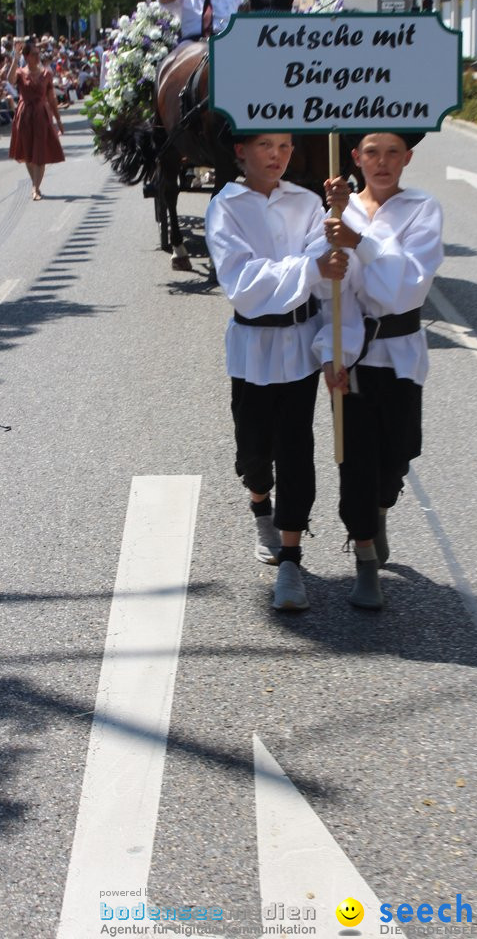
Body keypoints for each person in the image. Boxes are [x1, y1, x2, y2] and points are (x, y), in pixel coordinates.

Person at [204, 132, 348, 612]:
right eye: (265, 145)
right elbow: (244, 285)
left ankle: (291, 557)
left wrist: (331, 347)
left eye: (285, 146)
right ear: (241, 150)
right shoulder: (225, 207)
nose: (277, 155)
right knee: (253, 451)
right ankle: (258, 501)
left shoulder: (309, 204)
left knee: (296, 449)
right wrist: (308, 267)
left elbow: (328, 286)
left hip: (299, 347)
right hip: (251, 348)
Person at [313, 132, 444, 610]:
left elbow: (402, 292)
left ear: (407, 158)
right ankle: (364, 555)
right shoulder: (334, 213)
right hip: (351, 354)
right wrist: (330, 353)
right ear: (356, 158)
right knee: (355, 461)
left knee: (398, 455)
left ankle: (381, 507)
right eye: (372, 153)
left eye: (393, 153)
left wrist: (359, 241)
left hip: (401, 353)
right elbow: (330, 298)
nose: (382, 163)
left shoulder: (423, 209)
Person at [7, 38, 64, 200]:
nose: (37, 57)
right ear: (26, 56)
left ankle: (35, 188)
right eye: (33, 54)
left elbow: (51, 98)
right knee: (28, 152)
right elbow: (10, 80)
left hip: (41, 114)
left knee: (40, 152)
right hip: (24, 115)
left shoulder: (46, 74)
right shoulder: (20, 72)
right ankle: (35, 184)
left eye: (38, 53)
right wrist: (14, 59)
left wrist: (58, 121)